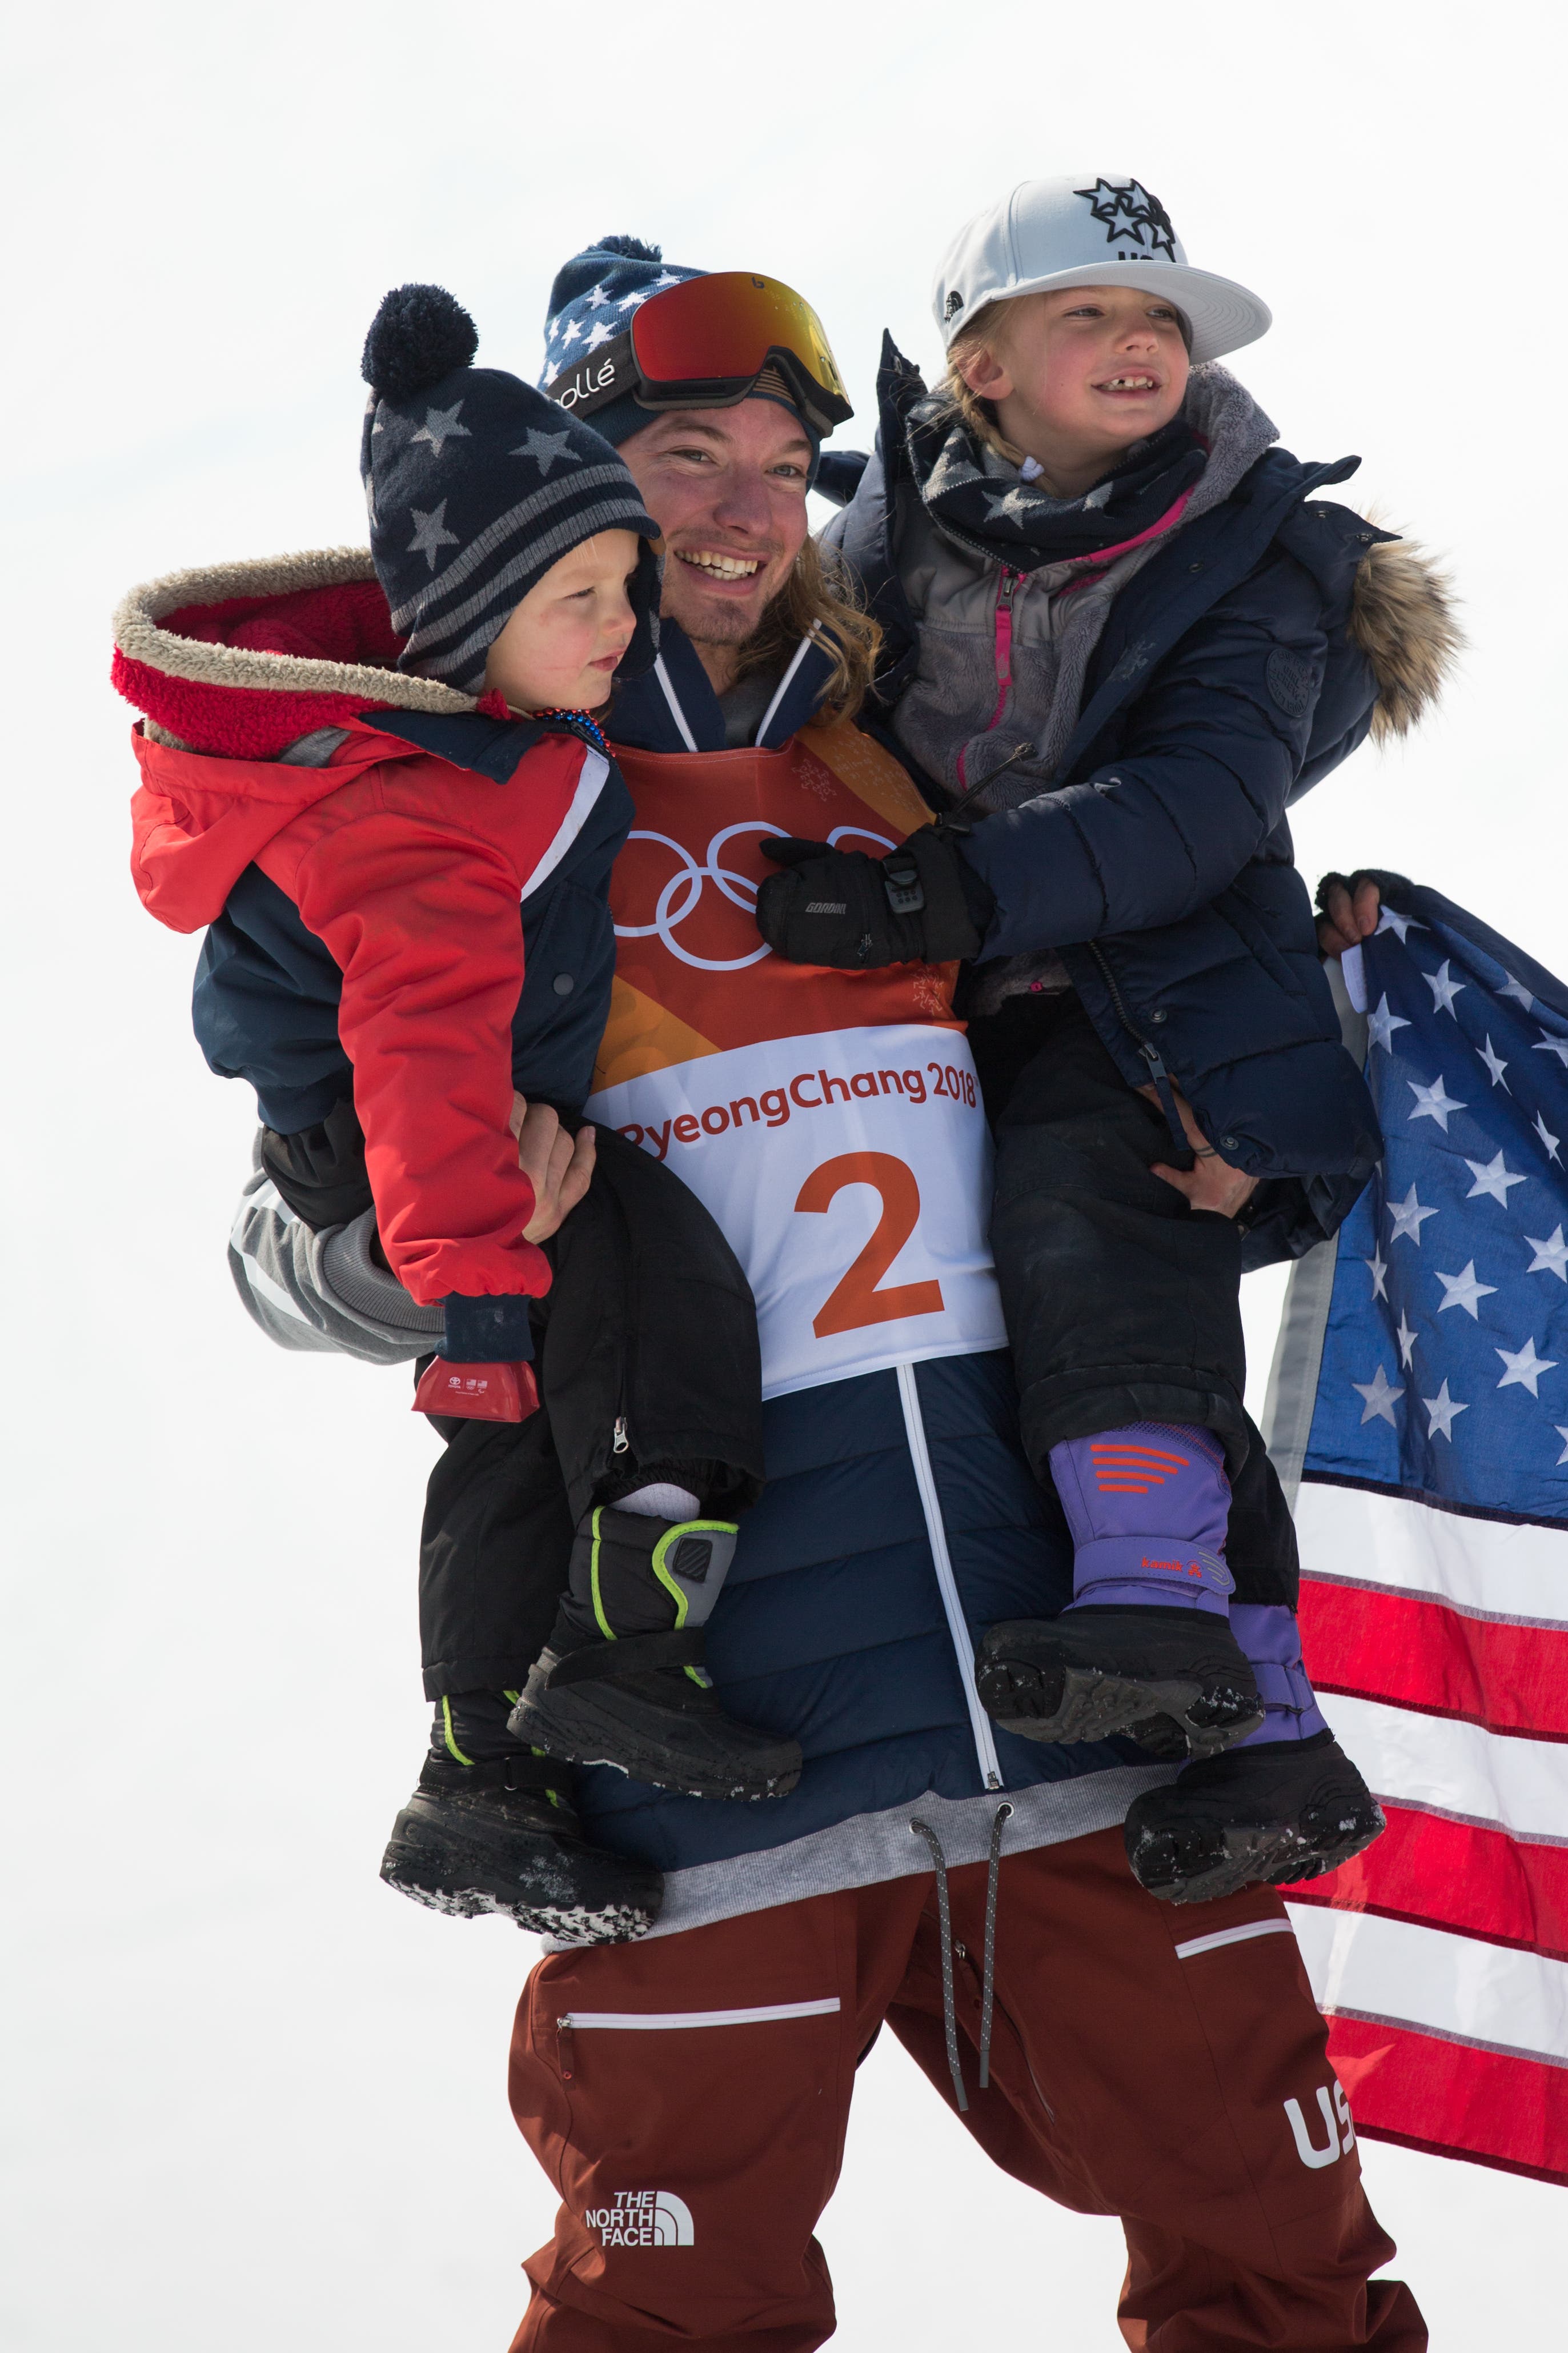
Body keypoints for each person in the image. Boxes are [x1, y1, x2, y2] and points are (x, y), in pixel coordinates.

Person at [227, 237, 1425, 2348]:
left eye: (785, 466)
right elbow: (280, 1258)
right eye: (683, 456)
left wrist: (1258, 1162)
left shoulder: (916, 777)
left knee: (1289, 2289)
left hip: (1085, 1722)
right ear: (568, 489)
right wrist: (406, 1245)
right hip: (710, 1753)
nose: (740, 509)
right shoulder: (451, 812)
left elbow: (1110, 1141)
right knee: (661, 2323)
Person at [756, 173, 1460, 1903]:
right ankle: (1269, 1736)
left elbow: (1202, 800)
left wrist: (941, 895)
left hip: (1167, 1002)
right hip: (954, 1008)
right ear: (978, 366)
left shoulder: (1256, 546)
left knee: (1093, 1224)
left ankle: (1152, 1613)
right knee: (1050, 1317)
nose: (1140, 346)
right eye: (1089, 317)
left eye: (1158, 322)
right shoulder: (871, 552)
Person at [117, 282, 804, 1945]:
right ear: (462, 610)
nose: (621, 623)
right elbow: (422, 1063)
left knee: (514, 1442)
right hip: (434, 1158)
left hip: (457, 1150)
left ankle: (480, 1774)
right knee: (656, 1324)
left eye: (623, 586)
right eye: (581, 590)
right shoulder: (419, 813)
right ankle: (624, 1662)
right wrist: (472, 1293)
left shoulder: (486, 745)